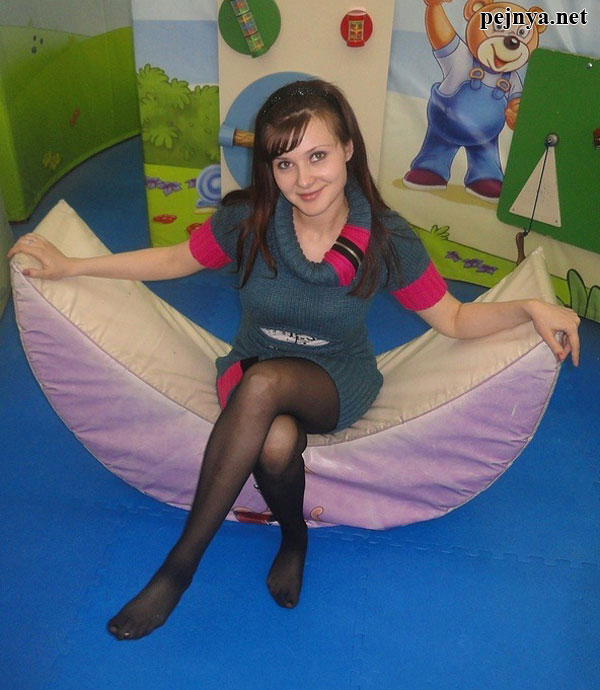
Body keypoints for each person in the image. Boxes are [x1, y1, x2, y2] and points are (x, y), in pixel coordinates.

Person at [8, 79, 580, 641]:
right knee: (276, 439)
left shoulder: (385, 239)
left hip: (335, 379)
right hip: (253, 364)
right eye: (285, 163)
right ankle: (294, 538)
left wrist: (527, 308)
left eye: (318, 156)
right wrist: (72, 267)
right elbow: (174, 260)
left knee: (264, 387)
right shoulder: (250, 221)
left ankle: (178, 569)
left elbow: (453, 318)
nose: (303, 180)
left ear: (348, 149)